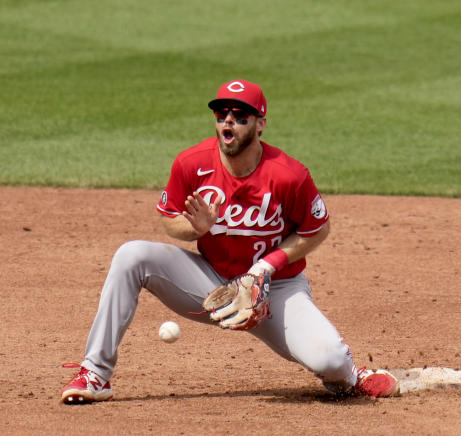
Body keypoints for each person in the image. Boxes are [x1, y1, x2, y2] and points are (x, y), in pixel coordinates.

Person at [61, 79, 399, 403]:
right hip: (211, 282)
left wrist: (267, 267)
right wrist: (195, 229)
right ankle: (95, 373)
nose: (229, 122)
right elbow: (170, 220)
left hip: (275, 289)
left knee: (330, 359)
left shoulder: (288, 174)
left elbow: (317, 228)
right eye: (222, 114)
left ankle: (351, 377)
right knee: (132, 255)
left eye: (240, 116)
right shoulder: (191, 164)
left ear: (260, 123)